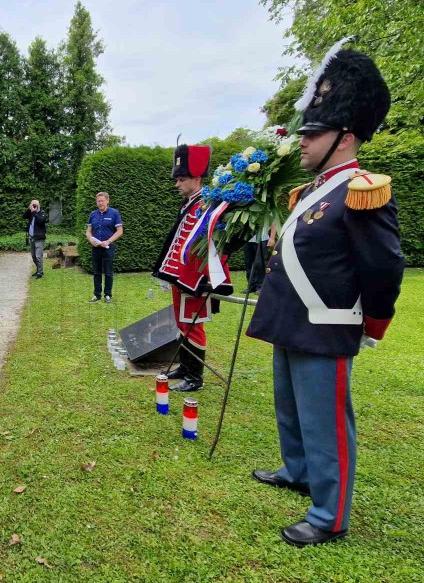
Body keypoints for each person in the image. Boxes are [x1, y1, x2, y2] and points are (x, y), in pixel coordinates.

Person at [247, 47, 405, 547]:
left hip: (326, 323)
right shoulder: (309, 191)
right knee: (290, 408)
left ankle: (330, 514)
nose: (302, 142)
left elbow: (383, 264)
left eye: (312, 134)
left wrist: (372, 324)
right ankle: (297, 471)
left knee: (326, 419)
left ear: (345, 138)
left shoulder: (363, 189)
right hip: (291, 320)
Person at [154, 144, 234, 392]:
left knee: (193, 325)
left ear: (196, 178)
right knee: (182, 322)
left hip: (196, 277)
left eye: (181, 179)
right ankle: (185, 367)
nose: (177, 183)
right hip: (182, 275)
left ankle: (195, 378)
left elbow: (207, 246)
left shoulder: (207, 204)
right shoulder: (191, 202)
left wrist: (195, 277)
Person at [85, 192, 122, 303]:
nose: (100, 203)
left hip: (108, 248)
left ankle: (108, 295)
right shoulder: (93, 215)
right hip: (96, 247)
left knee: (108, 272)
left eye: (102, 201)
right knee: (96, 272)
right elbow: (88, 231)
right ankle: (97, 295)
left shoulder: (114, 213)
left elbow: (120, 231)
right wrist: (91, 239)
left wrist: (109, 241)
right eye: (98, 201)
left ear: (107, 200)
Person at [242, 223, 277, 295]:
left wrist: (272, 238)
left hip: (262, 239)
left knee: (260, 263)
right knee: (248, 262)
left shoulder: (268, 211)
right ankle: (251, 285)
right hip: (248, 239)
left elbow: (273, 223)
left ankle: (260, 286)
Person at [23, 199, 47, 279]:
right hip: (32, 237)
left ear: (39, 205)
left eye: (35, 205)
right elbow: (24, 216)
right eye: (32, 205)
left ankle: (40, 272)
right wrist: (29, 209)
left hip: (39, 238)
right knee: (33, 255)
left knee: (38, 256)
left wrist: (34, 212)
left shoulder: (42, 213)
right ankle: (38, 269)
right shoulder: (31, 212)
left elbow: (41, 221)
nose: (34, 206)